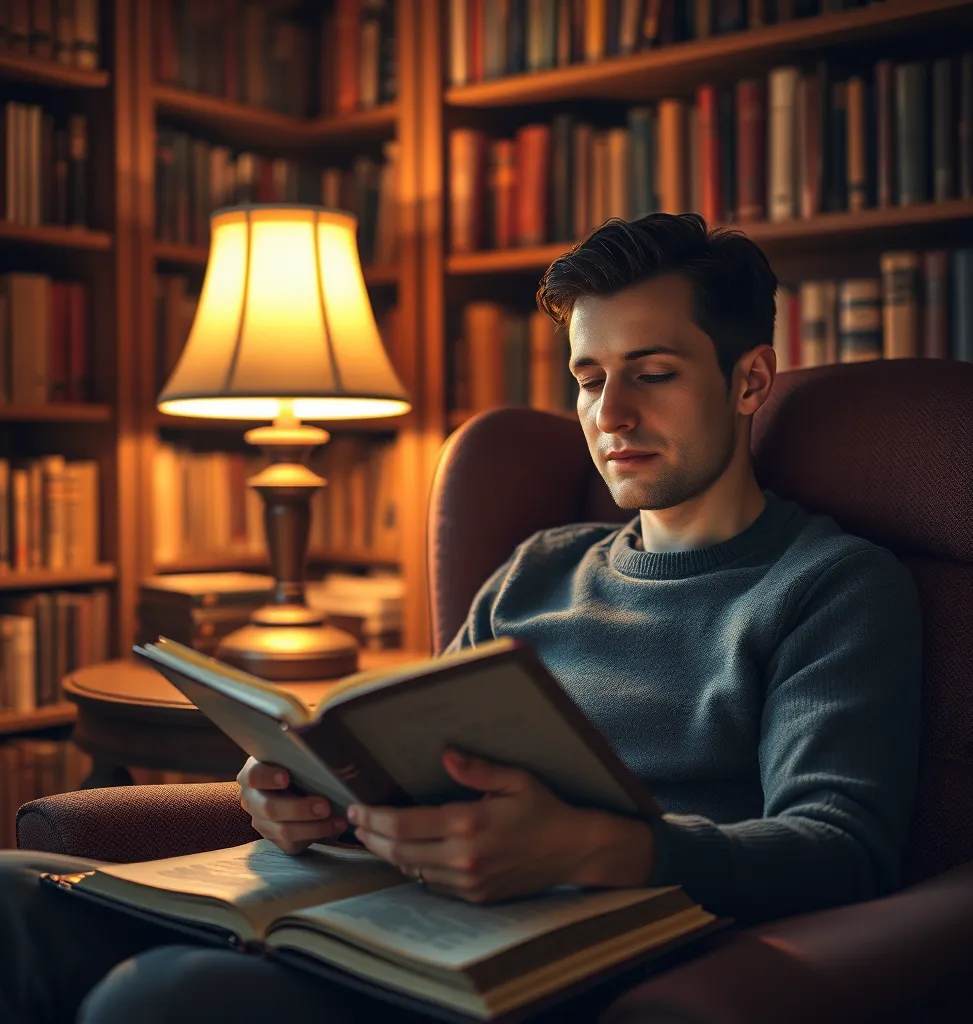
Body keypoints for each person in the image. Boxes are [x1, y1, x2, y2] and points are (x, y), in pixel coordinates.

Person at [0, 213, 922, 1024]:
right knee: (10, 897)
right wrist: (309, 798)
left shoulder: (830, 586)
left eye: (653, 373)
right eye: (590, 377)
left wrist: (591, 846)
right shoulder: (541, 567)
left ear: (750, 379)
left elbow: (840, 850)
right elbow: (414, 756)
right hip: (398, 909)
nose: (613, 414)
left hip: (565, 961)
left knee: (155, 1002)